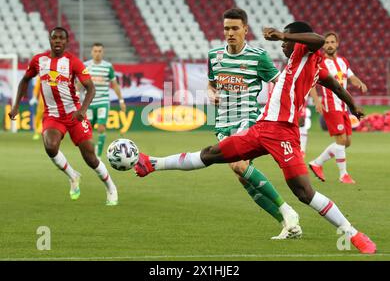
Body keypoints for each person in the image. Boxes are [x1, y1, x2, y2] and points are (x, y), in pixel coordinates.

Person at [133, 22, 376, 254]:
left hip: (283, 133)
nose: (282, 46)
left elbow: (319, 42)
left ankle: (353, 233)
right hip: (262, 128)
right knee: (212, 153)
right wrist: (353, 105)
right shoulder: (300, 61)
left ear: (298, 41)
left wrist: (283, 35)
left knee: (304, 193)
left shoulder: (306, 51)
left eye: (287, 40)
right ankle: (152, 164)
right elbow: (337, 87)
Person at [207, 8, 301, 239]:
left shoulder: (258, 57)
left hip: (247, 118)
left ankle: (287, 210)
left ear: (245, 30)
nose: (230, 33)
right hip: (223, 123)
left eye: (235, 28)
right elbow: (211, 83)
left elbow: (281, 85)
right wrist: (211, 93)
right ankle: (287, 224)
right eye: (227, 28)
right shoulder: (214, 56)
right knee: (241, 175)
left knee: (239, 165)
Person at [8, 27, 118, 206]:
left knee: (90, 157)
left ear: (66, 42)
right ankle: (73, 176)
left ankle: (111, 187)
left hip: (73, 114)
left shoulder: (73, 62)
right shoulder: (39, 60)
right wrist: (16, 105)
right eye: (54, 38)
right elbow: (25, 80)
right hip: (52, 115)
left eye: (61, 38)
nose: (57, 41)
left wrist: (82, 110)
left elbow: (91, 88)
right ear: (50, 40)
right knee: (50, 147)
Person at [309, 32, 368, 184]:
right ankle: (343, 175)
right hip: (330, 105)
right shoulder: (320, 62)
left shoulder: (343, 61)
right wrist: (317, 101)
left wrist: (359, 82)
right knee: (341, 140)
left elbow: (351, 76)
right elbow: (311, 82)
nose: (329, 44)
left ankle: (317, 163)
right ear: (323, 45)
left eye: (332, 42)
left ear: (337, 44)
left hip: (343, 106)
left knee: (347, 141)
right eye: (326, 42)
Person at [82, 43, 126, 157]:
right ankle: (91, 151)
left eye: (99, 51)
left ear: (103, 52)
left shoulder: (108, 66)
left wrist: (121, 100)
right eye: (95, 51)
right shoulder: (85, 66)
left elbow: (115, 85)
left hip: (103, 101)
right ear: (92, 52)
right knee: (88, 129)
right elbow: (79, 83)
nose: (97, 53)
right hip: (89, 102)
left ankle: (99, 155)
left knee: (101, 127)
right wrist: (76, 94)